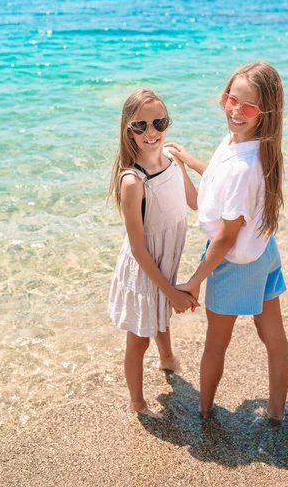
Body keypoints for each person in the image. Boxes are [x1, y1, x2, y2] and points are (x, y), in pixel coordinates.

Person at [166, 61, 288, 423]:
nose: (235, 110)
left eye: (247, 106)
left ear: (264, 112)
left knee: (216, 342)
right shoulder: (248, 145)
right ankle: (276, 413)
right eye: (230, 99)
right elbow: (220, 192)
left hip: (235, 261)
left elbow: (223, 238)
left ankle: (204, 413)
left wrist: (193, 281)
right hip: (263, 250)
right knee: (273, 337)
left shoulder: (243, 166)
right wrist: (189, 163)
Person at [108, 88, 199, 415]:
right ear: (127, 130)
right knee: (139, 337)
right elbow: (138, 248)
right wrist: (172, 293)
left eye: (159, 122)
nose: (152, 132)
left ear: (167, 122)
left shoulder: (173, 162)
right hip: (144, 268)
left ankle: (167, 359)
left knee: (161, 315)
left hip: (166, 260)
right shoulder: (134, 181)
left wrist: (192, 165)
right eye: (140, 126)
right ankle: (137, 401)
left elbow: (197, 202)